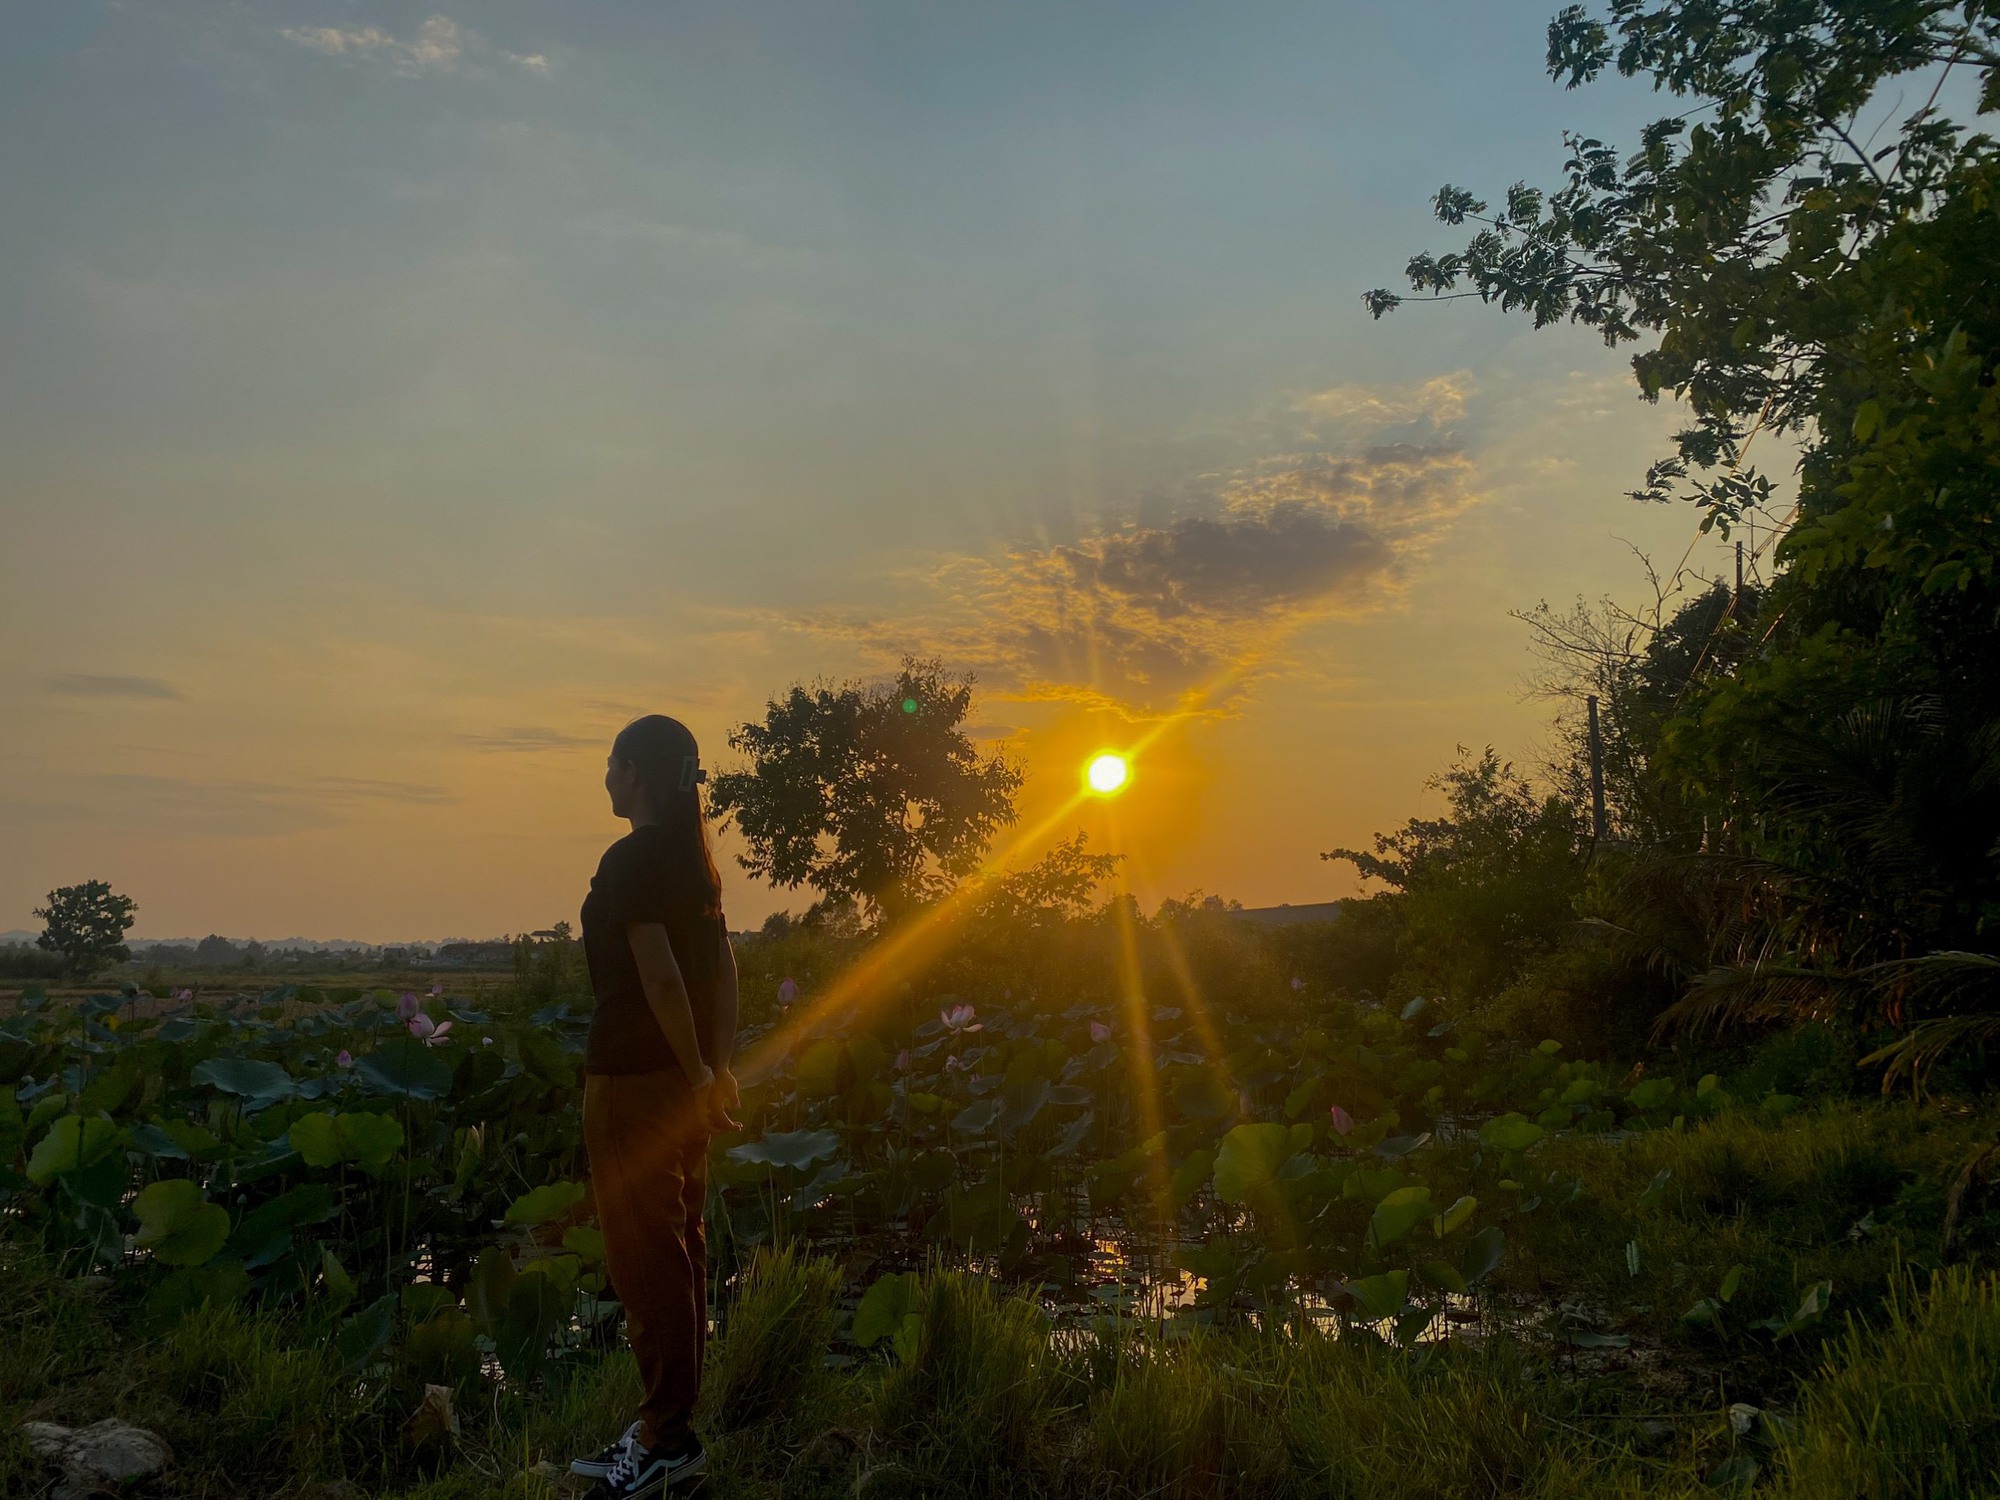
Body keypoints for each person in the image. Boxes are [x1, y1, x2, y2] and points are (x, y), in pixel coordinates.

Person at [568, 715, 740, 1499]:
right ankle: (659, 1431)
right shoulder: (695, 862)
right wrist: (714, 1071)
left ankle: (668, 1440)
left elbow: (663, 978)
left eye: (611, 765)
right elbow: (726, 971)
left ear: (634, 770)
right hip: (681, 1082)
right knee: (683, 1254)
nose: (605, 779)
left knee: (647, 1263)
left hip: (634, 1084)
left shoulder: (633, 857)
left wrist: (700, 1075)